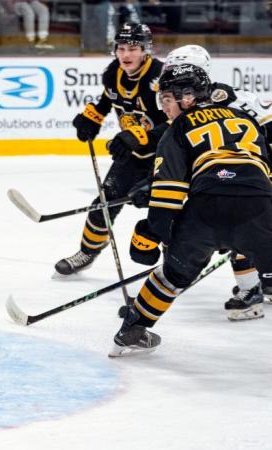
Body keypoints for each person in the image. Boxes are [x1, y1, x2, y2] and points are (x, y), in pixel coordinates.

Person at [110, 64, 272, 356]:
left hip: (204, 213)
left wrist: (152, 232)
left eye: (167, 101)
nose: (164, 109)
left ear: (187, 98)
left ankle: (131, 331)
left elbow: (168, 196)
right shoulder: (246, 118)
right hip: (258, 210)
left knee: (172, 275)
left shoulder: (178, 129)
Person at [159, 44, 272, 318]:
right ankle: (250, 288)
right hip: (239, 176)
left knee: (241, 216)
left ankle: (252, 288)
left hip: (255, 174)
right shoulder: (189, 100)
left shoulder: (231, 99)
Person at [54, 22, 167, 276]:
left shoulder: (160, 78)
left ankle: (175, 259)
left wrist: (140, 135)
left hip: (166, 160)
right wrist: (92, 116)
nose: (126, 55)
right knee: (102, 205)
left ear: (146, 50)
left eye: (133, 48)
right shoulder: (112, 73)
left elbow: (174, 122)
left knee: (163, 211)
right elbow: (108, 100)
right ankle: (87, 252)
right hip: (133, 155)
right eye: (121, 48)